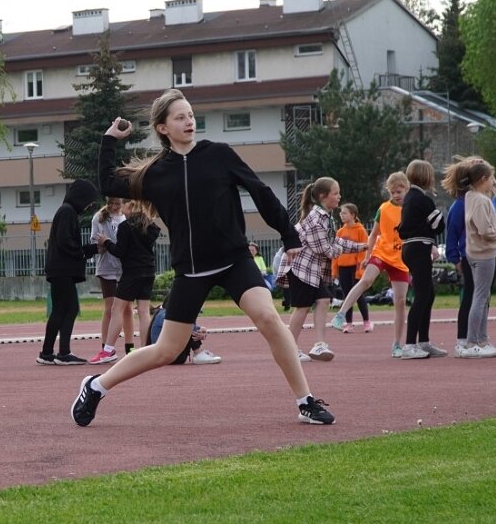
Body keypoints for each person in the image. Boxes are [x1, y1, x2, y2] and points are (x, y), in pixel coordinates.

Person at [72, 88, 334, 427]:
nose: (189, 121)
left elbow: (261, 191)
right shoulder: (154, 174)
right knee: (166, 351)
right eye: (180, 117)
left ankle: (306, 401)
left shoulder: (219, 155)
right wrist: (110, 139)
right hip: (191, 272)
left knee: (268, 317)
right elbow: (106, 179)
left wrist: (288, 233)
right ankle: (95, 386)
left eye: (191, 115)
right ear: (163, 128)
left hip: (234, 261)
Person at [278, 178, 367, 363]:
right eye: (335, 193)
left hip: (310, 271)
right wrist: (351, 248)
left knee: (323, 299)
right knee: (301, 308)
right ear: (322, 196)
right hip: (300, 268)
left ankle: (319, 344)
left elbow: (334, 242)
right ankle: (288, 348)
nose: (339, 197)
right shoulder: (316, 218)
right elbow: (326, 249)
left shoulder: (326, 216)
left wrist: (362, 246)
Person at [331, 172, 410, 357]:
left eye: (399, 191)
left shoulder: (411, 208)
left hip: (400, 259)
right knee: (366, 280)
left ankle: (397, 343)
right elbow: (374, 234)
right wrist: (368, 255)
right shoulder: (383, 209)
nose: (396, 195)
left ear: (407, 189)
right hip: (381, 252)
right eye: (392, 192)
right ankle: (341, 314)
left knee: (399, 301)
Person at [443, 161, 496, 353]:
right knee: (475, 298)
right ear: (482, 179)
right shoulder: (466, 202)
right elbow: (457, 232)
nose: (494, 182)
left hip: (485, 251)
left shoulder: (482, 198)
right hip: (478, 253)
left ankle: (480, 339)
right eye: (491, 178)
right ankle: (467, 340)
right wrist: (454, 257)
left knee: (482, 298)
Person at [36, 179, 99, 366]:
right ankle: (59, 352)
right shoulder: (67, 212)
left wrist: (93, 249)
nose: (89, 206)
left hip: (60, 269)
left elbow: (68, 243)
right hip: (62, 269)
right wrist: (83, 252)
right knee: (65, 309)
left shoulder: (66, 211)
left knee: (63, 309)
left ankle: (51, 352)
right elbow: (66, 242)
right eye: (88, 201)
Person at [89, 199, 160, 364]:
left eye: (125, 205)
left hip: (131, 273)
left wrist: (106, 241)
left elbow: (120, 252)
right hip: (149, 271)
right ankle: (145, 348)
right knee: (143, 311)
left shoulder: (125, 227)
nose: (122, 208)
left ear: (131, 207)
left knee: (116, 309)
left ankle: (108, 350)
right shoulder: (150, 227)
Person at [398, 160, 446, 359]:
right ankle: (410, 344)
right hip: (419, 247)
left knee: (428, 294)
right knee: (422, 296)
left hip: (411, 247)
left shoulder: (410, 197)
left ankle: (423, 341)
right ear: (426, 177)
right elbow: (439, 225)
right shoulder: (423, 199)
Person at [90, 197, 134, 355]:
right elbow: (95, 243)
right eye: (111, 204)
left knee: (127, 308)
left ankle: (130, 347)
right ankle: (106, 347)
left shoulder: (127, 216)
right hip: (107, 267)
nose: (114, 207)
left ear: (122, 203)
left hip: (125, 268)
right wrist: (102, 244)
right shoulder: (99, 217)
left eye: (117, 204)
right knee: (110, 308)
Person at [147, 292, 221, 364]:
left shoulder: (167, 314)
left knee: (188, 325)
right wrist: (200, 331)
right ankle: (198, 353)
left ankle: (199, 352)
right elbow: (185, 327)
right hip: (166, 356)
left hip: (171, 355)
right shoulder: (165, 316)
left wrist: (201, 331)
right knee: (187, 326)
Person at [331, 203, 371, 333]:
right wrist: (334, 269)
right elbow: (335, 252)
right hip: (343, 267)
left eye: (345, 213)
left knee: (358, 295)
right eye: (341, 213)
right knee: (346, 294)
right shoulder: (340, 232)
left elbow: (363, 251)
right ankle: (348, 323)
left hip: (355, 267)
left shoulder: (360, 230)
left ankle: (366, 321)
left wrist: (360, 270)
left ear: (353, 215)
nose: (341, 215)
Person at [271, 246, 290, 310]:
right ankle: (287, 304)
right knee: (286, 286)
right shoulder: (278, 257)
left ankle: (287, 302)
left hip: (287, 274)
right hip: (280, 276)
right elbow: (277, 270)